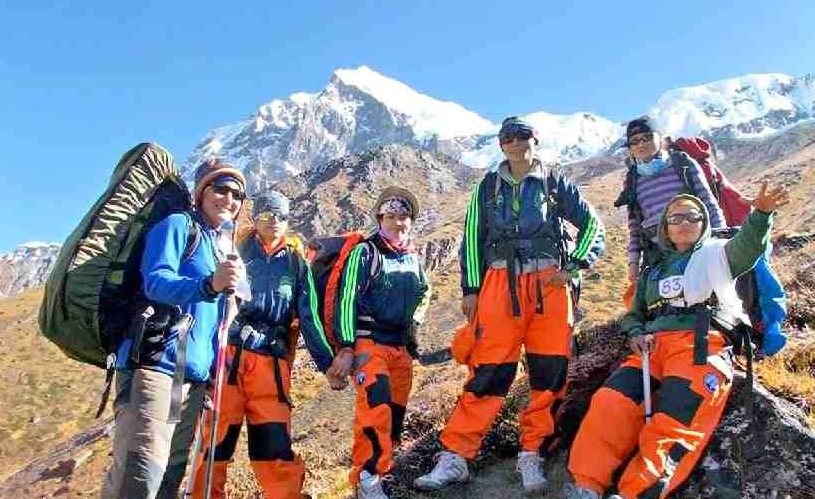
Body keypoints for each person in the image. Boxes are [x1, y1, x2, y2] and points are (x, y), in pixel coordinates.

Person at [414, 116, 605, 494]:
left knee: (549, 375)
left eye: (524, 136)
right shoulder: (487, 187)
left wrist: (573, 266)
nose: (517, 143)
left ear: (536, 140)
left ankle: (531, 454)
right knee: (488, 371)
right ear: (501, 144)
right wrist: (471, 290)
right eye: (509, 138)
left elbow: (593, 225)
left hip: (549, 287)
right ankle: (455, 457)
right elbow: (472, 239)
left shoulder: (554, 181)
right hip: (499, 285)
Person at [564, 184, 790, 499]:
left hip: (701, 346)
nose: (683, 222)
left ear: (703, 223)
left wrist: (761, 215)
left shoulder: (720, 255)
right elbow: (634, 314)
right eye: (675, 217)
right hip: (651, 350)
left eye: (692, 216)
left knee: (674, 421)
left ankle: (635, 492)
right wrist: (635, 332)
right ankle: (586, 485)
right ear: (666, 229)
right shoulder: (652, 272)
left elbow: (750, 246)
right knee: (609, 404)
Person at [101, 158, 248, 499]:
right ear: (201, 192)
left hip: (194, 381)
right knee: (140, 477)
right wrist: (208, 285)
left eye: (237, 194)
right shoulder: (178, 225)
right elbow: (155, 281)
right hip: (155, 368)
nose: (229, 199)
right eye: (220, 188)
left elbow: (215, 322)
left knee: (168, 480)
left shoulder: (220, 246)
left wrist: (214, 372)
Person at [190, 190, 321, 499]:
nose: (274, 221)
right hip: (229, 358)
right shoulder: (233, 249)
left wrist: (329, 362)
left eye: (282, 216)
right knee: (214, 444)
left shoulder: (296, 262)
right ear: (255, 217)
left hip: (271, 365)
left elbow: (309, 315)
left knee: (274, 446)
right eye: (267, 214)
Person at [322, 186, 430, 499]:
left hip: (401, 347)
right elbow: (347, 301)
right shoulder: (365, 253)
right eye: (391, 216)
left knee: (395, 413)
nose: (398, 222)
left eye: (404, 216)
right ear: (379, 218)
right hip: (369, 346)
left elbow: (425, 291)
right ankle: (367, 478)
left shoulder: (412, 257)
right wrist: (345, 347)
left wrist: (416, 322)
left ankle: (383, 472)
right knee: (375, 409)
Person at [619, 117, 727, 286]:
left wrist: (720, 239)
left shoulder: (683, 165)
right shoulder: (632, 180)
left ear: (659, 138)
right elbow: (635, 228)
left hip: (696, 247)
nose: (641, 144)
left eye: (646, 137)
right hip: (658, 256)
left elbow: (709, 203)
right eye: (634, 141)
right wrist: (633, 263)